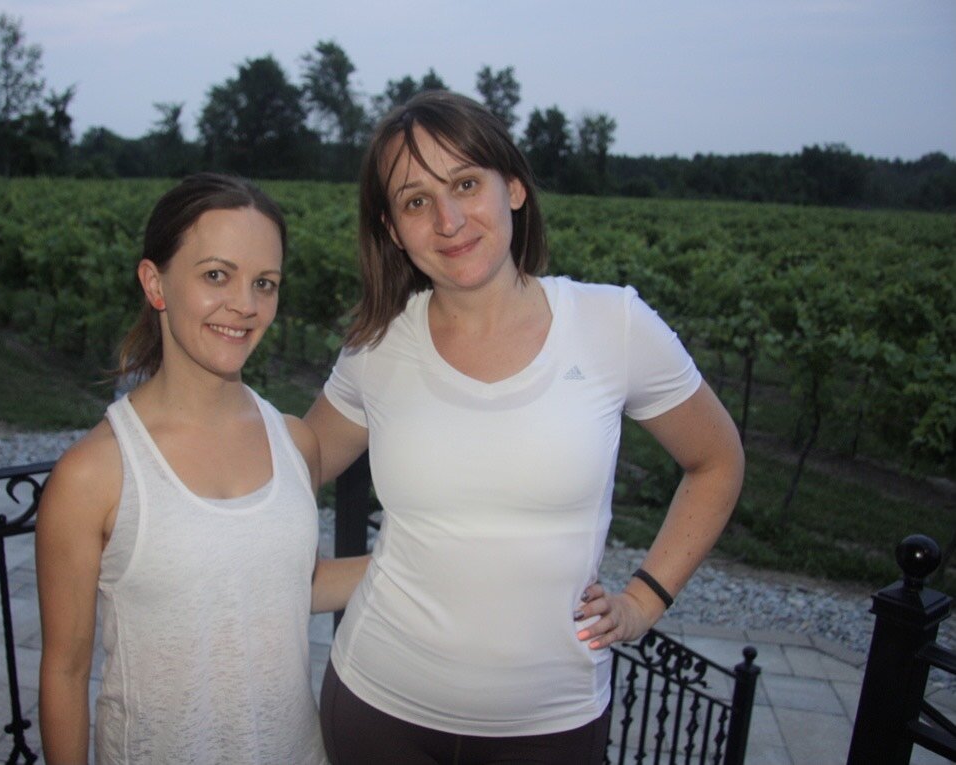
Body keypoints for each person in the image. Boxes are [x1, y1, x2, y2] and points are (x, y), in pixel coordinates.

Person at [304, 90, 746, 764]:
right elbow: (292, 469)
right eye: (416, 201)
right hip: (377, 704)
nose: (449, 219)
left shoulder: (612, 326)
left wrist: (645, 598)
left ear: (512, 187)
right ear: (393, 229)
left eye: (465, 184)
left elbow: (716, 460)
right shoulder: (378, 346)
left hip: (550, 727)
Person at [35, 173, 367, 765]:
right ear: (155, 283)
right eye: (217, 275)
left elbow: (292, 583)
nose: (245, 304)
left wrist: (436, 559)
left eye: (264, 283)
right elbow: (65, 671)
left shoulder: (294, 443)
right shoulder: (95, 475)